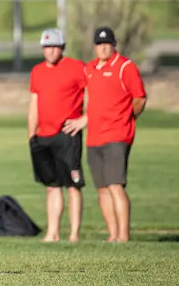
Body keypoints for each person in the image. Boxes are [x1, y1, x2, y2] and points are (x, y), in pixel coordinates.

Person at [63, 27, 147, 242]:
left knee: (115, 185)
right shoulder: (90, 69)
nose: (103, 47)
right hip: (95, 136)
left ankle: (123, 235)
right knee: (101, 188)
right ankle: (112, 234)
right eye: (99, 44)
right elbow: (96, 102)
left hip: (117, 135)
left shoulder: (125, 67)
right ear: (94, 47)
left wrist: (127, 118)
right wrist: (84, 119)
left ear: (114, 45)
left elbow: (139, 99)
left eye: (107, 43)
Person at [27, 28, 87, 243]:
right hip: (44, 135)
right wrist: (31, 133)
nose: (50, 51)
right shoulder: (37, 71)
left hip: (67, 134)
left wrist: (85, 119)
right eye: (46, 47)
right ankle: (52, 233)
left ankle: (74, 235)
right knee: (52, 186)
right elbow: (34, 103)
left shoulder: (76, 68)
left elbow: (99, 92)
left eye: (54, 47)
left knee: (72, 185)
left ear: (62, 48)